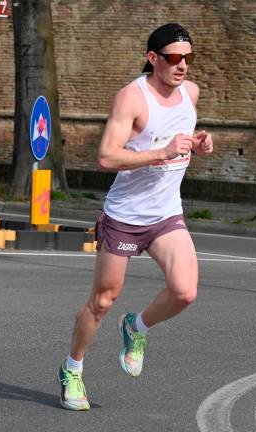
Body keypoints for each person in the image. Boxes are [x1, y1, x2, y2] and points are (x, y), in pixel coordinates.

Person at [56, 23, 214, 411]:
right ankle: (72, 369)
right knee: (103, 300)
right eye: (174, 58)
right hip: (125, 215)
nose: (182, 67)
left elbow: (181, 141)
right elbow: (107, 156)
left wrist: (200, 142)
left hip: (166, 214)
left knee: (185, 291)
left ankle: (136, 327)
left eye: (188, 59)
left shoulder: (190, 94)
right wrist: (161, 152)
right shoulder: (132, 98)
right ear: (153, 58)